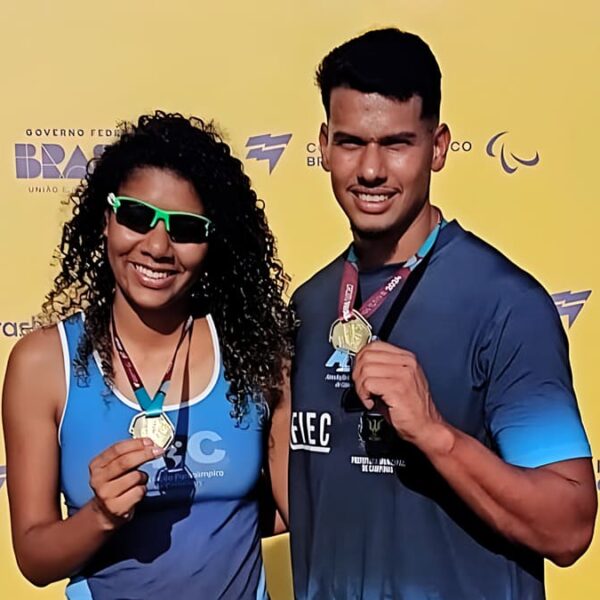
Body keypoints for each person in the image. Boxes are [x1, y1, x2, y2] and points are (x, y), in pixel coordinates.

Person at [287, 29, 597, 599]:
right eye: (352, 142)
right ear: (324, 145)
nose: (372, 170)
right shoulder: (308, 307)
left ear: (438, 146)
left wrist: (435, 435)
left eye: (398, 143)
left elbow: (571, 526)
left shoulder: (506, 305)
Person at [2, 112, 294, 599]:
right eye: (137, 217)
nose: (158, 246)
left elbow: (300, 512)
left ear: (212, 241)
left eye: (185, 228)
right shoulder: (42, 363)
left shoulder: (257, 353)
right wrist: (99, 516)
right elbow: (34, 558)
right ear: (106, 217)